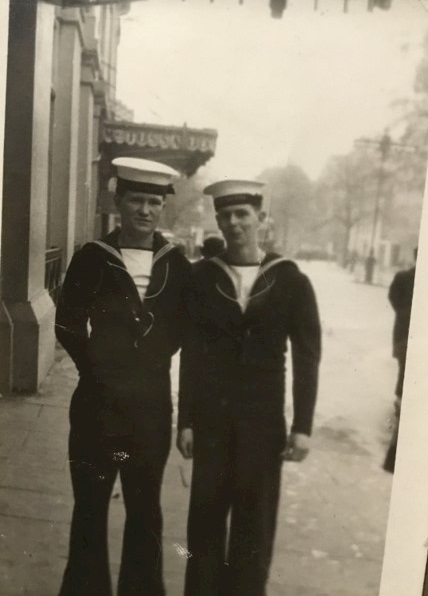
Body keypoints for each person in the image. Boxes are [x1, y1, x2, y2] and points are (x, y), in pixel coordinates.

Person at [177, 179, 321, 596]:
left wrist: (303, 426)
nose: (234, 223)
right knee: (204, 525)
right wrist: (185, 420)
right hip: (212, 422)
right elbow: (192, 354)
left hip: (263, 425)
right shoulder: (202, 277)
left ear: (262, 218)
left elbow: (307, 358)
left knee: (254, 529)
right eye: (225, 215)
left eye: (242, 214)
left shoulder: (290, 280)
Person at [56, 157, 191, 595]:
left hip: (150, 411)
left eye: (154, 202)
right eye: (136, 200)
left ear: (163, 207)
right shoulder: (92, 257)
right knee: (90, 508)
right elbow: (67, 324)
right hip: (96, 406)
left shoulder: (177, 264)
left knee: (145, 511)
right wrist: (97, 367)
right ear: (119, 202)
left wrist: (152, 358)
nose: (145, 211)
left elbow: (185, 329)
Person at [384, 249, 417, 473]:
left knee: (404, 371)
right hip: (407, 336)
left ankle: (400, 401)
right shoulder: (404, 277)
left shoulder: (403, 277)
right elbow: (393, 297)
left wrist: (404, 313)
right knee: (406, 370)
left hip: (404, 335)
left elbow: (393, 298)